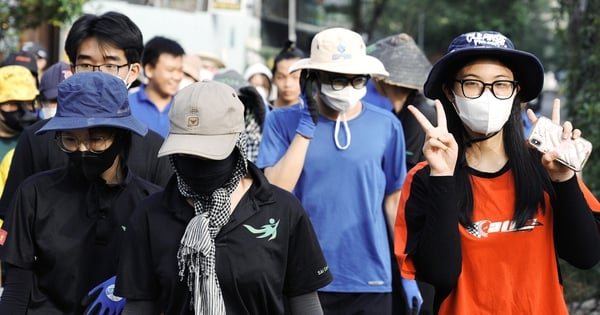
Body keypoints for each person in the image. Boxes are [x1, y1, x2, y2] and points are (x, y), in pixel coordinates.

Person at [394, 31, 600, 314]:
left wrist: (564, 180)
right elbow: (439, 274)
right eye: (472, 83)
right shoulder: (425, 178)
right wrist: (442, 175)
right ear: (449, 91)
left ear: (516, 92)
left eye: (501, 84)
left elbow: (586, 255)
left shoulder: (547, 167)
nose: (487, 95)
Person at [115, 80, 333, 314]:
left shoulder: (283, 211)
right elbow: (139, 306)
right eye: (185, 154)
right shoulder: (151, 216)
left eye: (209, 155)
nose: (196, 164)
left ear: (237, 146)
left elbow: (305, 303)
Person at [256, 27, 407, 315]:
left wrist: (405, 269)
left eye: (357, 79)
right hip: (302, 274)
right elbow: (275, 191)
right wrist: (306, 125)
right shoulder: (281, 122)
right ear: (313, 79)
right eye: (338, 80)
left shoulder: (387, 125)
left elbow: (393, 200)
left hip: (369, 276)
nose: (348, 87)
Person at [0, 72, 162, 314]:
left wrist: (132, 286)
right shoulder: (34, 195)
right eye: (70, 140)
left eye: (96, 140)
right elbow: (16, 285)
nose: (82, 149)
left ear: (121, 138)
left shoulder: (150, 205)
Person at [0, 11, 173, 221]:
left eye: (110, 65)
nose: (97, 75)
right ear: (72, 69)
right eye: (86, 65)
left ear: (133, 72)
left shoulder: (155, 149)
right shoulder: (38, 139)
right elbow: (14, 221)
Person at [367, 33, 436, 315]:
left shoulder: (418, 115)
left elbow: (402, 181)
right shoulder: (398, 115)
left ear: (383, 80)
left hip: (416, 233)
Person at [129, 36, 185, 138]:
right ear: (149, 70)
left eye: (180, 70)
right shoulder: (126, 106)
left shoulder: (186, 107)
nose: (177, 77)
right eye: (170, 70)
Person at [214, 69, 267, 163]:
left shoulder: (252, 134)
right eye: (225, 100)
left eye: (239, 100)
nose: (232, 108)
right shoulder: (204, 132)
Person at [270, 40, 305, 109]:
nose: (287, 84)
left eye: (295, 77)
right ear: (273, 79)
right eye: (281, 77)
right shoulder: (264, 112)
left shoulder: (311, 115)